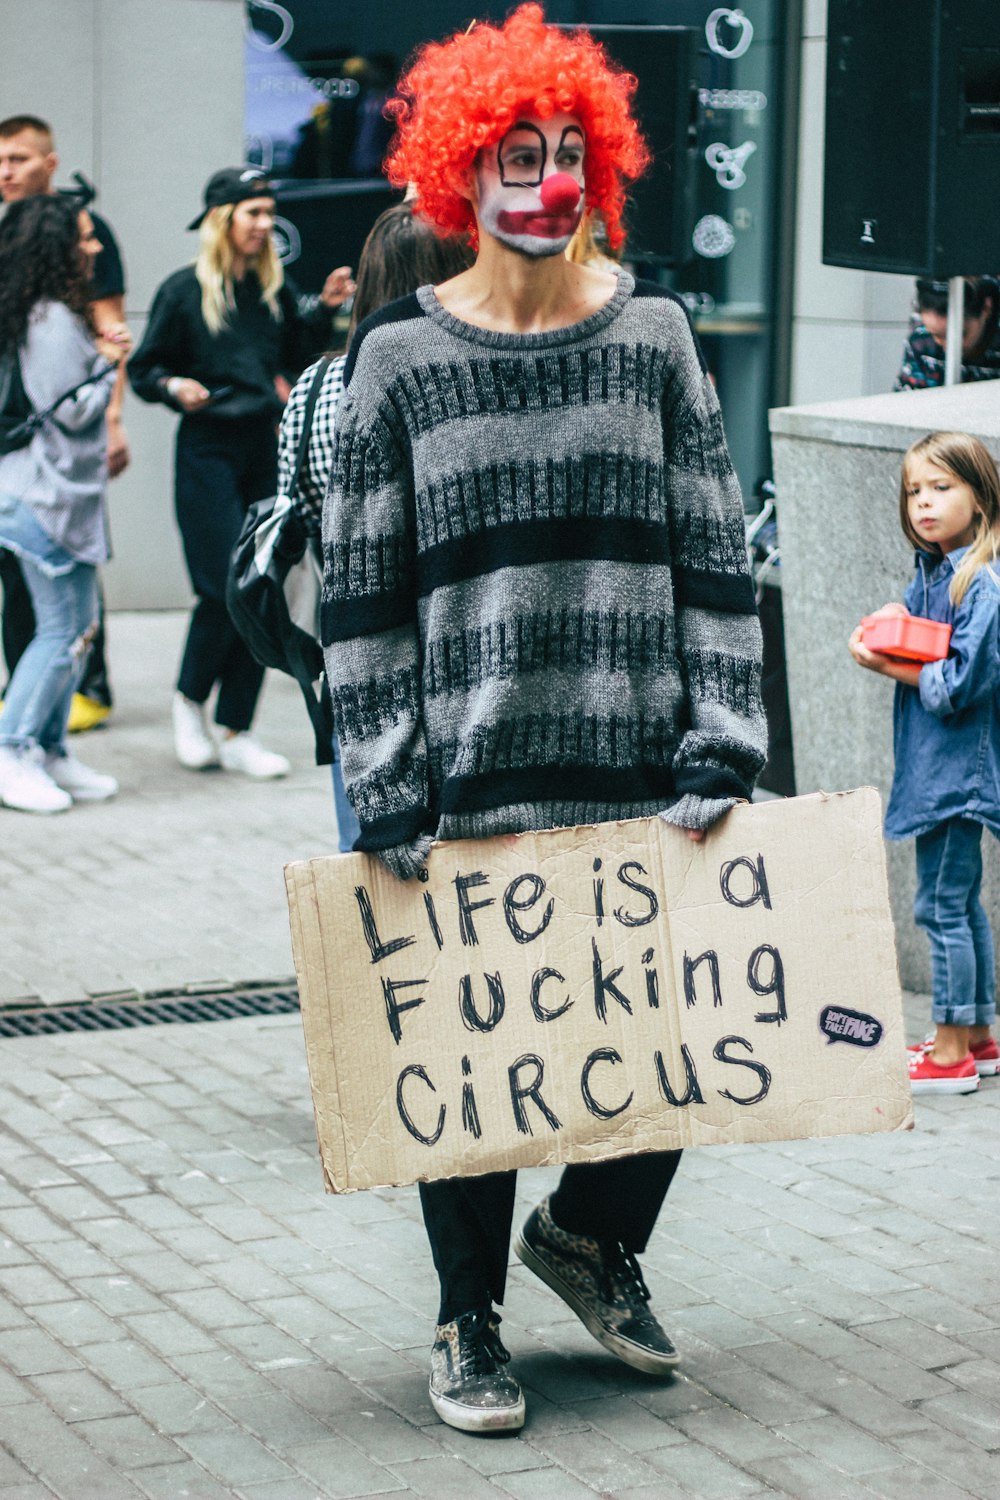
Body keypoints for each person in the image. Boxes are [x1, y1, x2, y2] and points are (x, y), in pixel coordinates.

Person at [322, 6, 766, 1434]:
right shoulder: (394, 358)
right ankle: (468, 1322)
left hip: (642, 767)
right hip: (469, 776)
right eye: (518, 153)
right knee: (477, 1075)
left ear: (604, 164)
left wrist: (724, 738)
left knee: (675, 1048)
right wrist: (386, 780)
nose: (546, 178)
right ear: (463, 171)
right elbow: (361, 593)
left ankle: (593, 1238)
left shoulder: (654, 335)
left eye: (570, 150)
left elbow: (713, 549)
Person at [129, 166, 354, 778]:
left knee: (264, 584)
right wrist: (175, 386)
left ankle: (236, 728)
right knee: (216, 587)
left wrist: (324, 310)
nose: (264, 224)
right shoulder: (182, 291)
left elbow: (292, 356)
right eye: (253, 213)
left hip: (263, 447)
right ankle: (188, 704)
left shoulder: (271, 291)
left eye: (266, 212)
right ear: (223, 220)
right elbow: (144, 369)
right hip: (206, 448)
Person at [277, 199, 471, 850]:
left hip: (352, 659)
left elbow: (301, 508)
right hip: (459, 655)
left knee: (372, 864)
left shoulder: (314, 387)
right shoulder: (462, 385)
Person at [849, 431, 1000, 1095]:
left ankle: (948, 1056)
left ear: (982, 496)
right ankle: (977, 1038)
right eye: (915, 491)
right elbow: (922, 632)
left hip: (955, 777)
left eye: (942, 487)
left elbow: (961, 682)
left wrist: (887, 665)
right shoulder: (940, 574)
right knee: (962, 904)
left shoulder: (981, 582)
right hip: (943, 772)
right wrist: (892, 620)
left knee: (939, 908)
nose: (925, 503)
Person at [0, 113, 132, 731]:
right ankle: (16, 748)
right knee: (58, 629)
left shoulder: (42, 309)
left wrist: (114, 413)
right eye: (85, 240)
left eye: (17, 158)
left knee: (68, 626)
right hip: (43, 491)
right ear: (59, 245)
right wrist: (106, 363)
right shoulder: (51, 319)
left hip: (44, 485)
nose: (95, 247)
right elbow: (70, 404)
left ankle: (48, 750)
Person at [895, 276, 1000, 390]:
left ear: (986, 308)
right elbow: (905, 400)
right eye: (935, 335)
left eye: (960, 335)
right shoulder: (921, 337)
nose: (947, 347)